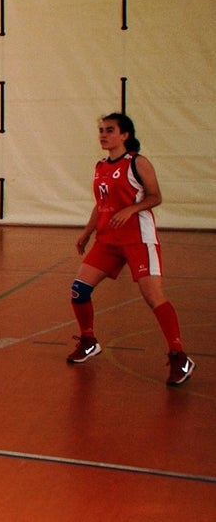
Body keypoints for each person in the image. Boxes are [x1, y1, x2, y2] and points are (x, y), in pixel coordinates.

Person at [66, 113, 195, 386]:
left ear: (124, 135)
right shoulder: (100, 166)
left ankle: (179, 355)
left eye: (109, 130)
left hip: (138, 238)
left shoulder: (137, 163)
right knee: (79, 289)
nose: (103, 134)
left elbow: (155, 196)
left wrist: (131, 210)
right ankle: (89, 340)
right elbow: (100, 203)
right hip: (108, 239)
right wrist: (87, 232)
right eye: (101, 130)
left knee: (153, 296)